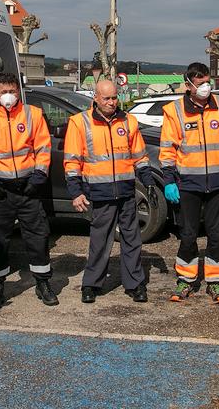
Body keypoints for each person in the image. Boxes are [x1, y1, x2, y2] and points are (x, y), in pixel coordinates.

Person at [160, 62, 219, 304]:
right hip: (188, 184)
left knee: (216, 234)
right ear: (188, 85)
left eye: (206, 81)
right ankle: (186, 279)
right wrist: (169, 180)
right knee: (188, 234)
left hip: (218, 183)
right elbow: (168, 149)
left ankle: (215, 282)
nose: (204, 87)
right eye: (199, 82)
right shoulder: (174, 111)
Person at [0, 72, 58, 310]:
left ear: (19, 92)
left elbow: (43, 147)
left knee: (38, 236)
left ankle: (43, 283)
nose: (9, 95)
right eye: (4, 91)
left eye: (13, 91)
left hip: (28, 188)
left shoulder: (33, 114)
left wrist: (39, 176)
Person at [64, 80, 155, 303]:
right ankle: (91, 285)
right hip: (99, 193)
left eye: (114, 97)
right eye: (107, 98)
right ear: (95, 98)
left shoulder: (129, 121)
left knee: (132, 240)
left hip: (126, 192)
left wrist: (148, 180)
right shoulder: (79, 123)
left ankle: (135, 284)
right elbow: (72, 162)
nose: (112, 102)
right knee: (99, 241)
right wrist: (76, 192)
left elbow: (140, 157)